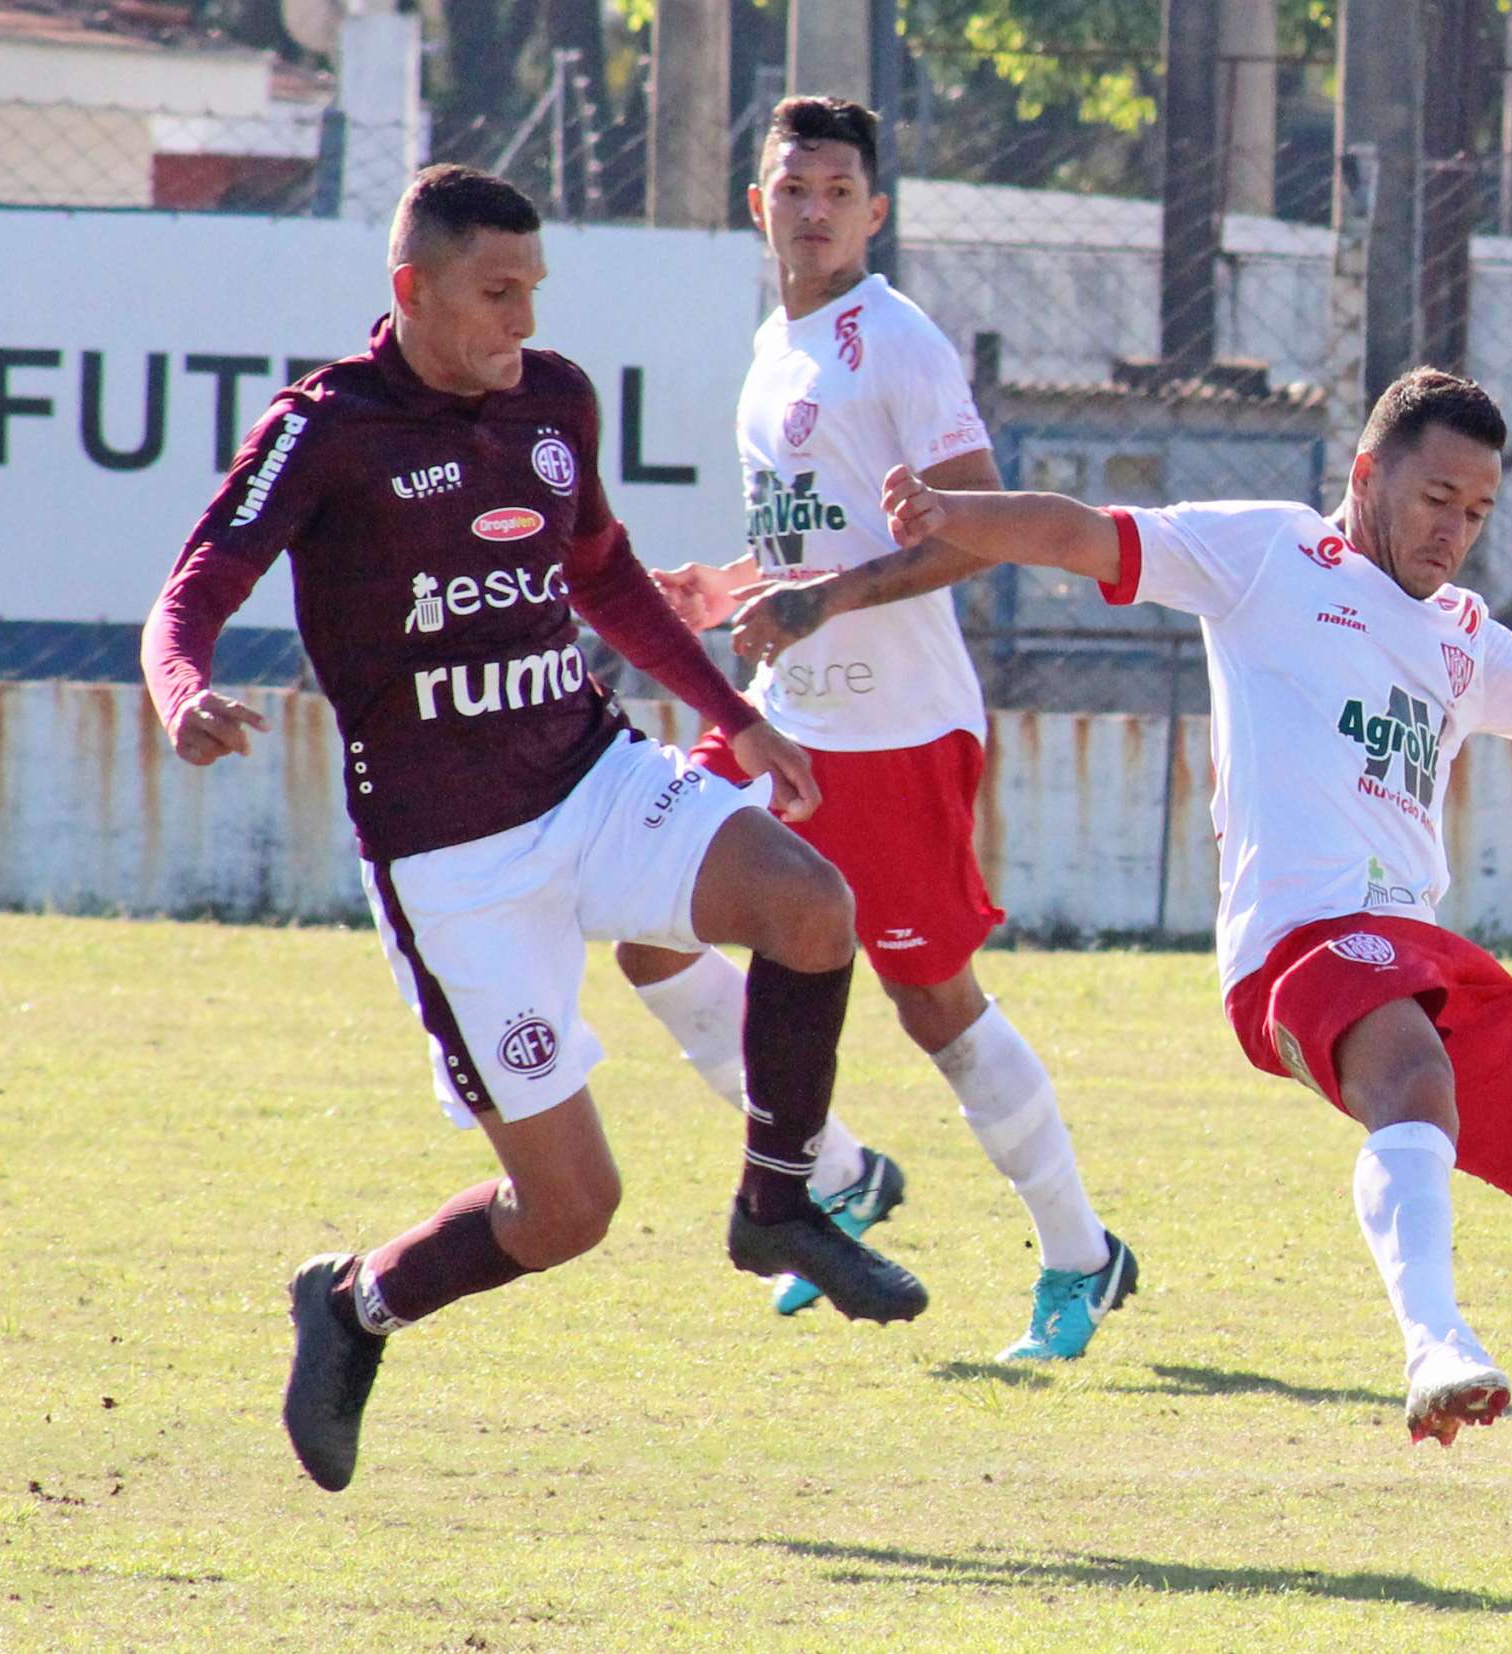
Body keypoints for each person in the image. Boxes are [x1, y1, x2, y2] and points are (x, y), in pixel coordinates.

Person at [847, 367, 1512, 1557]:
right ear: (1366, 476)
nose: (1453, 531)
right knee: (1411, 1070)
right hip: (1295, 945)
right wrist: (961, 515)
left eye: (1477, 512)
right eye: (1435, 497)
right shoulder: (1269, 556)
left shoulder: (1464, 641)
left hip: (1412, 951)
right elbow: (1084, 533)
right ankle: (1434, 1341)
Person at [140, 164, 927, 1495]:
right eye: (494, 293)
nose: (520, 319)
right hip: (457, 866)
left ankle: (779, 1202)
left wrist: (735, 713)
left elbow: (604, 572)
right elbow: (196, 586)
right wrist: (182, 692)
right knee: (570, 1211)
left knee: (811, 905)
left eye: (532, 291)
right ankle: (355, 1306)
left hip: (592, 775)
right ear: (414, 289)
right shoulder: (326, 427)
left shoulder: (553, 399)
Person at [627, 97, 1134, 1360]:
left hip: (899, 735)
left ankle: (1081, 1255)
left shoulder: (893, 340)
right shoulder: (772, 346)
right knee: (646, 921)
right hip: (786, 720)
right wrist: (734, 586)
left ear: (874, 213)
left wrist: (823, 600)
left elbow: (973, 529)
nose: (813, 210)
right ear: (759, 204)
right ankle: (833, 1171)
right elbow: (819, 534)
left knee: (935, 1007)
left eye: (838, 191)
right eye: (792, 188)